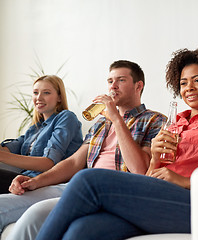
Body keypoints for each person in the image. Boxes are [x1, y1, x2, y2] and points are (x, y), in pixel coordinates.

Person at [34, 44, 198, 240]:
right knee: (82, 230)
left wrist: (184, 181)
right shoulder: (172, 125)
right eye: (183, 82)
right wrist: (154, 160)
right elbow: (150, 174)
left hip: (195, 202)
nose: (189, 87)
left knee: (88, 180)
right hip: (156, 198)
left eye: (197, 80)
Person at [0, 60, 166, 235]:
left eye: (121, 80)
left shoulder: (155, 120)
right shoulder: (101, 123)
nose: (113, 86)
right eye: (110, 81)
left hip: (111, 190)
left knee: (35, 215)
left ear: (138, 85)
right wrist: (36, 181)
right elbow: (73, 163)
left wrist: (117, 119)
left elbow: (140, 170)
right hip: (76, 185)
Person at [0, 75, 83, 194]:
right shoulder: (35, 128)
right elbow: (9, 148)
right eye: (35, 92)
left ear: (59, 97)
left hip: (43, 181)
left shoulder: (66, 118)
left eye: (46, 93)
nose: (39, 98)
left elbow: (49, 163)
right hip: (24, 177)